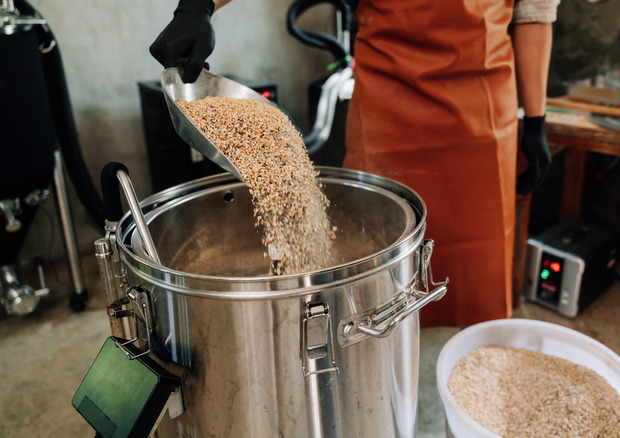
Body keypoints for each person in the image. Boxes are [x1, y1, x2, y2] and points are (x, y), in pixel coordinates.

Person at [150, 0, 559, 327]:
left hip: (480, 114)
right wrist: (197, 6)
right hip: (389, 104)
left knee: (476, 282)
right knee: (377, 272)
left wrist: (536, 120)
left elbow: (533, 13)